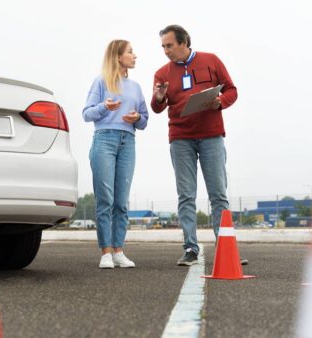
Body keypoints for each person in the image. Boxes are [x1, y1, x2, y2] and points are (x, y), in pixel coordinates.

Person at [151, 25, 247, 266]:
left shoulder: (211, 60)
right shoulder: (161, 73)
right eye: (163, 46)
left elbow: (232, 90)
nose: (166, 51)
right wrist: (159, 98)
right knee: (186, 196)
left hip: (212, 137)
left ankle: (226, 247)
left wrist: (220, 101)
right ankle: (190, 249)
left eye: (169, 45)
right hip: (180, 139)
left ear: (184, 42)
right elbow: (156, 107)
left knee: (218, 195)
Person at [82, 40, 149, 269]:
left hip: (128, 141)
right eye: (131, 52)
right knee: (106, 200)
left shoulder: (136, 87)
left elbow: (144, 120)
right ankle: (106, 253)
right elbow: (87, 114)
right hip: (104, 140)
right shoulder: (101, 81)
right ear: (118, 57)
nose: (135, 55)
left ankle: (119, 250)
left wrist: (136, 118)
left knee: (121, 202)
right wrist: (104, 107)